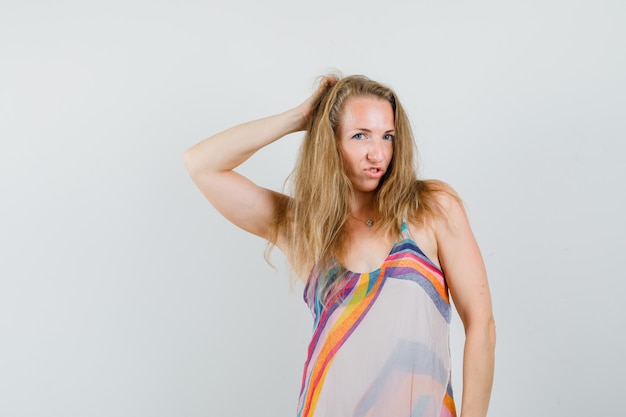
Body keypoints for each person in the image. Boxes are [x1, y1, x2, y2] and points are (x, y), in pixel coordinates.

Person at [184, 74, 495, 417]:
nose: (377, 152)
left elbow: (481, 324)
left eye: (387, 136)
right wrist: (299, 118)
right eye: (360, 135)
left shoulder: (432, 209)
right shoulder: (304, 227)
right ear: (330, 142)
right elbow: (201, 164)